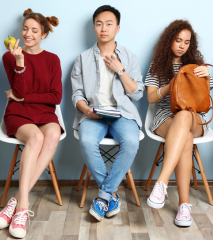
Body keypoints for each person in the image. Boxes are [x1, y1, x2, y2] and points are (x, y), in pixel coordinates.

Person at [71, 5, 144, 222]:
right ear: (94, 27)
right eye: (99, 23)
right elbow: (76, 93)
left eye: (109, 23)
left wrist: (120, 69)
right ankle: (110, 196)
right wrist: (86, 109)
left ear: (117, 28)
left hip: (122, 114)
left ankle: (103, 196)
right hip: (93, 113)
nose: (104, 28)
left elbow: (138, 94)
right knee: (86, 141)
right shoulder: (82, 58)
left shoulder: (129, 57)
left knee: (131, 141)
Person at [0, 9, 62, 239]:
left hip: (44, 113)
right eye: (25, 29)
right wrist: (20, 62)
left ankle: (15, 201)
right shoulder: (9, 56)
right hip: (18, 114)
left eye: (34, 30)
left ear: (43, 34)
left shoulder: (52, 59)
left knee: (52, 136)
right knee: (36, 138)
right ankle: (23, 209)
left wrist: (24, 97)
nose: (28, 33)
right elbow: (19, 91)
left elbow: (56, 97)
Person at [145, 20, 213, 227]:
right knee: (186, 137)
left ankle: (162, 183)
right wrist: (173, 83)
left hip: (193, 115)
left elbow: (204, 101)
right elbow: (150, 98)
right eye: (178, 40)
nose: (182, 45)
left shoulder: (198, 65)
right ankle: (184, 206)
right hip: (165, 116)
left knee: (184, 116)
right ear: (169, 40)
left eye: (187, 42)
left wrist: (206, 76)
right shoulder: (157, 65)